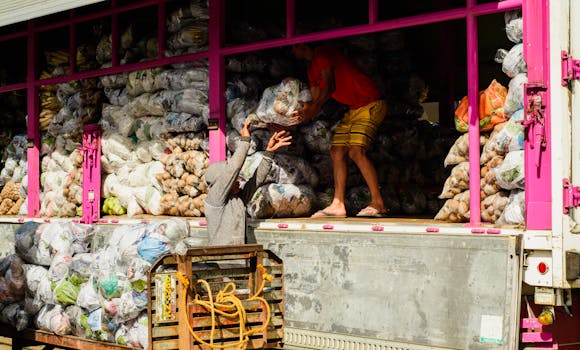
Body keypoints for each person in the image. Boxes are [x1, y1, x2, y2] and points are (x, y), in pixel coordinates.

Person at [290, 43, 388, 218]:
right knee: (336, 152)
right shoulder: (311, 69)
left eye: (292, 47)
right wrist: (301, 113)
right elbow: (315, 99)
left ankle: (378, 203)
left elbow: (329, 87)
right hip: (354, 108)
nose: (291, 52)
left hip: (370, 103)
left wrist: (311, 109)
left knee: (356, 152)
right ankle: (338, 204)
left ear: (301, 45)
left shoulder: (322, 53)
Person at [203, 118, 292, 246]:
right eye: (234, 179)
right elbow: (233, 169)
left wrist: (269, 152)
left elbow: (256, 180)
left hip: (240, 261)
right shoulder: (215, 200)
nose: (238, 180)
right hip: (222, 263)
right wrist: (245, 141)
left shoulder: (237, 200)